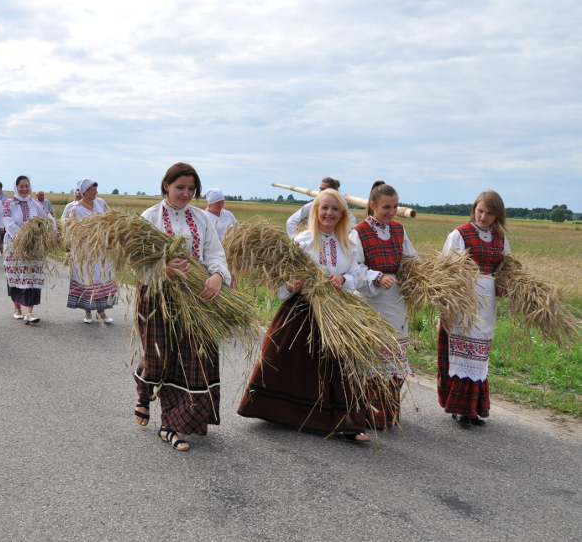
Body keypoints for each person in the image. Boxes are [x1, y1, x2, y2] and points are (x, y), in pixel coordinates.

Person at [238, 188, 370, 442]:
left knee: (341, 364)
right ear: (316, 211)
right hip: (302, 308)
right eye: (324, 208)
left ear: (342, 213)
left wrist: (343, 278)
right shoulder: (302, 241)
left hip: (337, 311)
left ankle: (349, 424)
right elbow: (283, 278)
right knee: (285, 357)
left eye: (334, 208)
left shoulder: (349, 244)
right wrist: (290, 285)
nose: (329, 213)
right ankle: (284, 413)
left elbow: (357, 274)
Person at [134, 163, 231, 452]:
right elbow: (138, 264)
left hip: (197, 298)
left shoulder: (202, 218)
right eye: (180, 187)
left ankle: (171, 425)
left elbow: (215, 253)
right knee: (158, 359)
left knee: (192, 360)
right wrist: (163, 269)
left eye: (191, 189)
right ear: (166, 185)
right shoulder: (149, 217)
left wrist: (216, 276)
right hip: (158, 298)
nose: (186, 194)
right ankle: (144, 392)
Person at [438, 190, 510, 428]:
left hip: (486, 301)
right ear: (474, 209)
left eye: (489, 213)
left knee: (479, 354)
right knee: (462, 351)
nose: (483, 216)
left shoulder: (499, 237)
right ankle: (459, 409)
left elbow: (506, 268)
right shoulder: (460, 234)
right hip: (463, 300)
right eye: (480, 210)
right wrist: (447, 305)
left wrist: (502, 285)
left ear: (497, 215)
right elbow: (445, 270)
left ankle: (474, 409)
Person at [350, 181, 416, 429]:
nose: (391, 212)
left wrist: (420, 274)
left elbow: (409, 259)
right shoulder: (360, 232)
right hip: (371, 301)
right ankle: (367, 414)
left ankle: (388, 414)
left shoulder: (399, 230)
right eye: (386, 207)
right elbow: (354, 268)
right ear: (372, 206)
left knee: (394, 356)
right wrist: (377, 277)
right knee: (372, 359)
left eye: (395, 206)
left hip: (396, 300)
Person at [63, 179, 118, 324]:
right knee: (88, 278)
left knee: (101, 277)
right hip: (85, 250)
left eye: (96, 189)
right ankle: (87, 311)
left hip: (101, 249)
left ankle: (102, 312)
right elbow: (73, 229)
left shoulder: (101, 203)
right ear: (85, 192)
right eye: (93, 190)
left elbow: (111, 219)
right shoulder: (76, 209)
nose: (96, 192)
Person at [3, 175, 56, 324]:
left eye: (27, 186)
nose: (25, 189)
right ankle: (17, 309)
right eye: (21, 186)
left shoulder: (36, 203)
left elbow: (48, 217)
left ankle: (29, 312)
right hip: (14, 245)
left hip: (34, 246)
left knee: (31, 276)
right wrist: (24, 237)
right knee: (16, 276)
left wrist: (50, 232)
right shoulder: (9, 204)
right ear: (16, 187)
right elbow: (9, 223)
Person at [286, 177, 357, 237]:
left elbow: (352, 225)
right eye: (320, 189)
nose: (320, 192)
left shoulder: (342, 208)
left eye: (323, 189)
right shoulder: (312, 206)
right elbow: (291, 222)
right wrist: (295, 240)